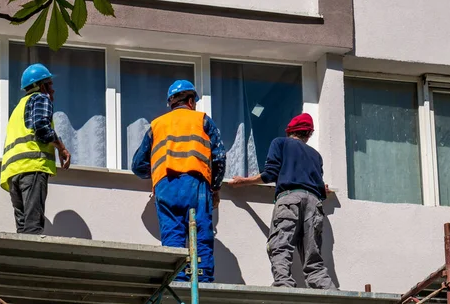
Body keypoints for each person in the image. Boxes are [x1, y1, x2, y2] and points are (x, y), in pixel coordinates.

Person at [132, 80, 226, 282]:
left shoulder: (156, 125)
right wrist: (215, 188)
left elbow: (137, 165)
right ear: (191, 101)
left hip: (165, 185)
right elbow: (219, 156)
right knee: (200, 229)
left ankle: (178, 279)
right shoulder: (202, 120)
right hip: (195, 182)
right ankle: (203, 278)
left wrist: (157, 170)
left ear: (171, 103)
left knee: (172, 233)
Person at [228, 113, 335, 289]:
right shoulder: (316, 155)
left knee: (281, 246)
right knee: (313, 257)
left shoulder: (280, 143)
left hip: (290, 199)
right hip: (314, 204)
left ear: (290, 131)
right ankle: (327, 290)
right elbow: (318, 186)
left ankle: (284, 284)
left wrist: (243, 181)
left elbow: (270, 173)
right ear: (308, 134)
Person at [0, 64, 71, 234]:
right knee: (33, 226)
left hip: (12, 173)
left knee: (23, 228)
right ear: (41, 85)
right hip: (32, 168)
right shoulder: (40, 98)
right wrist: (62, 148)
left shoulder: (18, 108)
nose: (52, 90)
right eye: (50, 84)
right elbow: (42, 128)